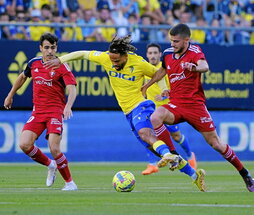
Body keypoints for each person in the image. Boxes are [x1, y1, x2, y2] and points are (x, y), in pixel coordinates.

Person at [44, 35, 206, 191]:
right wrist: (60, 60)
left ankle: (168, 155)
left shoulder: (138, 62)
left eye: (117, 60)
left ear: (125, 55)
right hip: (128, 112)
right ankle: (193, 175)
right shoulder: (106, 58)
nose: (113, 63)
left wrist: (163, 88)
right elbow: (82, 54)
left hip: (142, 105)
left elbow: (159, 73)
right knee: (157, 149)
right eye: (112, 60)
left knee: (145, 133)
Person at [141, 23, 254, 192]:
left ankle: (245, 173)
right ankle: (174, 156)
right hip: (176, 103)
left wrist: (194, 67)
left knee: (216, 144)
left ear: (187, 40)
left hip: (195, 106)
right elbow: (162, 72)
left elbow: (204, 66)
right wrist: (147, 85)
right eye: (171, 41)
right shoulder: (167, 54)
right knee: (156, 117)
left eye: (176, 41)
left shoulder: (194, 52)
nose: (172, 44)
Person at [4, 33, 78, 191]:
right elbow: (22, 77)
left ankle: (70, 183)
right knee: (24, 144)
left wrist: (68, 106)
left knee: (54, 147)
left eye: (53, 47)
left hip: (55, 111)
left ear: (56, 48)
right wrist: (10, 95)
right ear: (40, 48)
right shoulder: (34, 63)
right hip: (37, 112)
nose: (50, 51)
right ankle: (50, 165)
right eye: (46, 48)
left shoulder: (62, 66)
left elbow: (72, 89)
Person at [142, 42, 197, 175]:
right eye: (150, 53)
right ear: (147, 55)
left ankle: (190, 156)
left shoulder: (166, 70)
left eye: (155, 53)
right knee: (148, 134)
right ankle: (152, 164)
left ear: (160, 55)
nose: (153, 56)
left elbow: (178, 89)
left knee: (176, 136)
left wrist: (165, 95)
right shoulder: (144, 71)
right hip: (151, 111)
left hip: (167, 110)